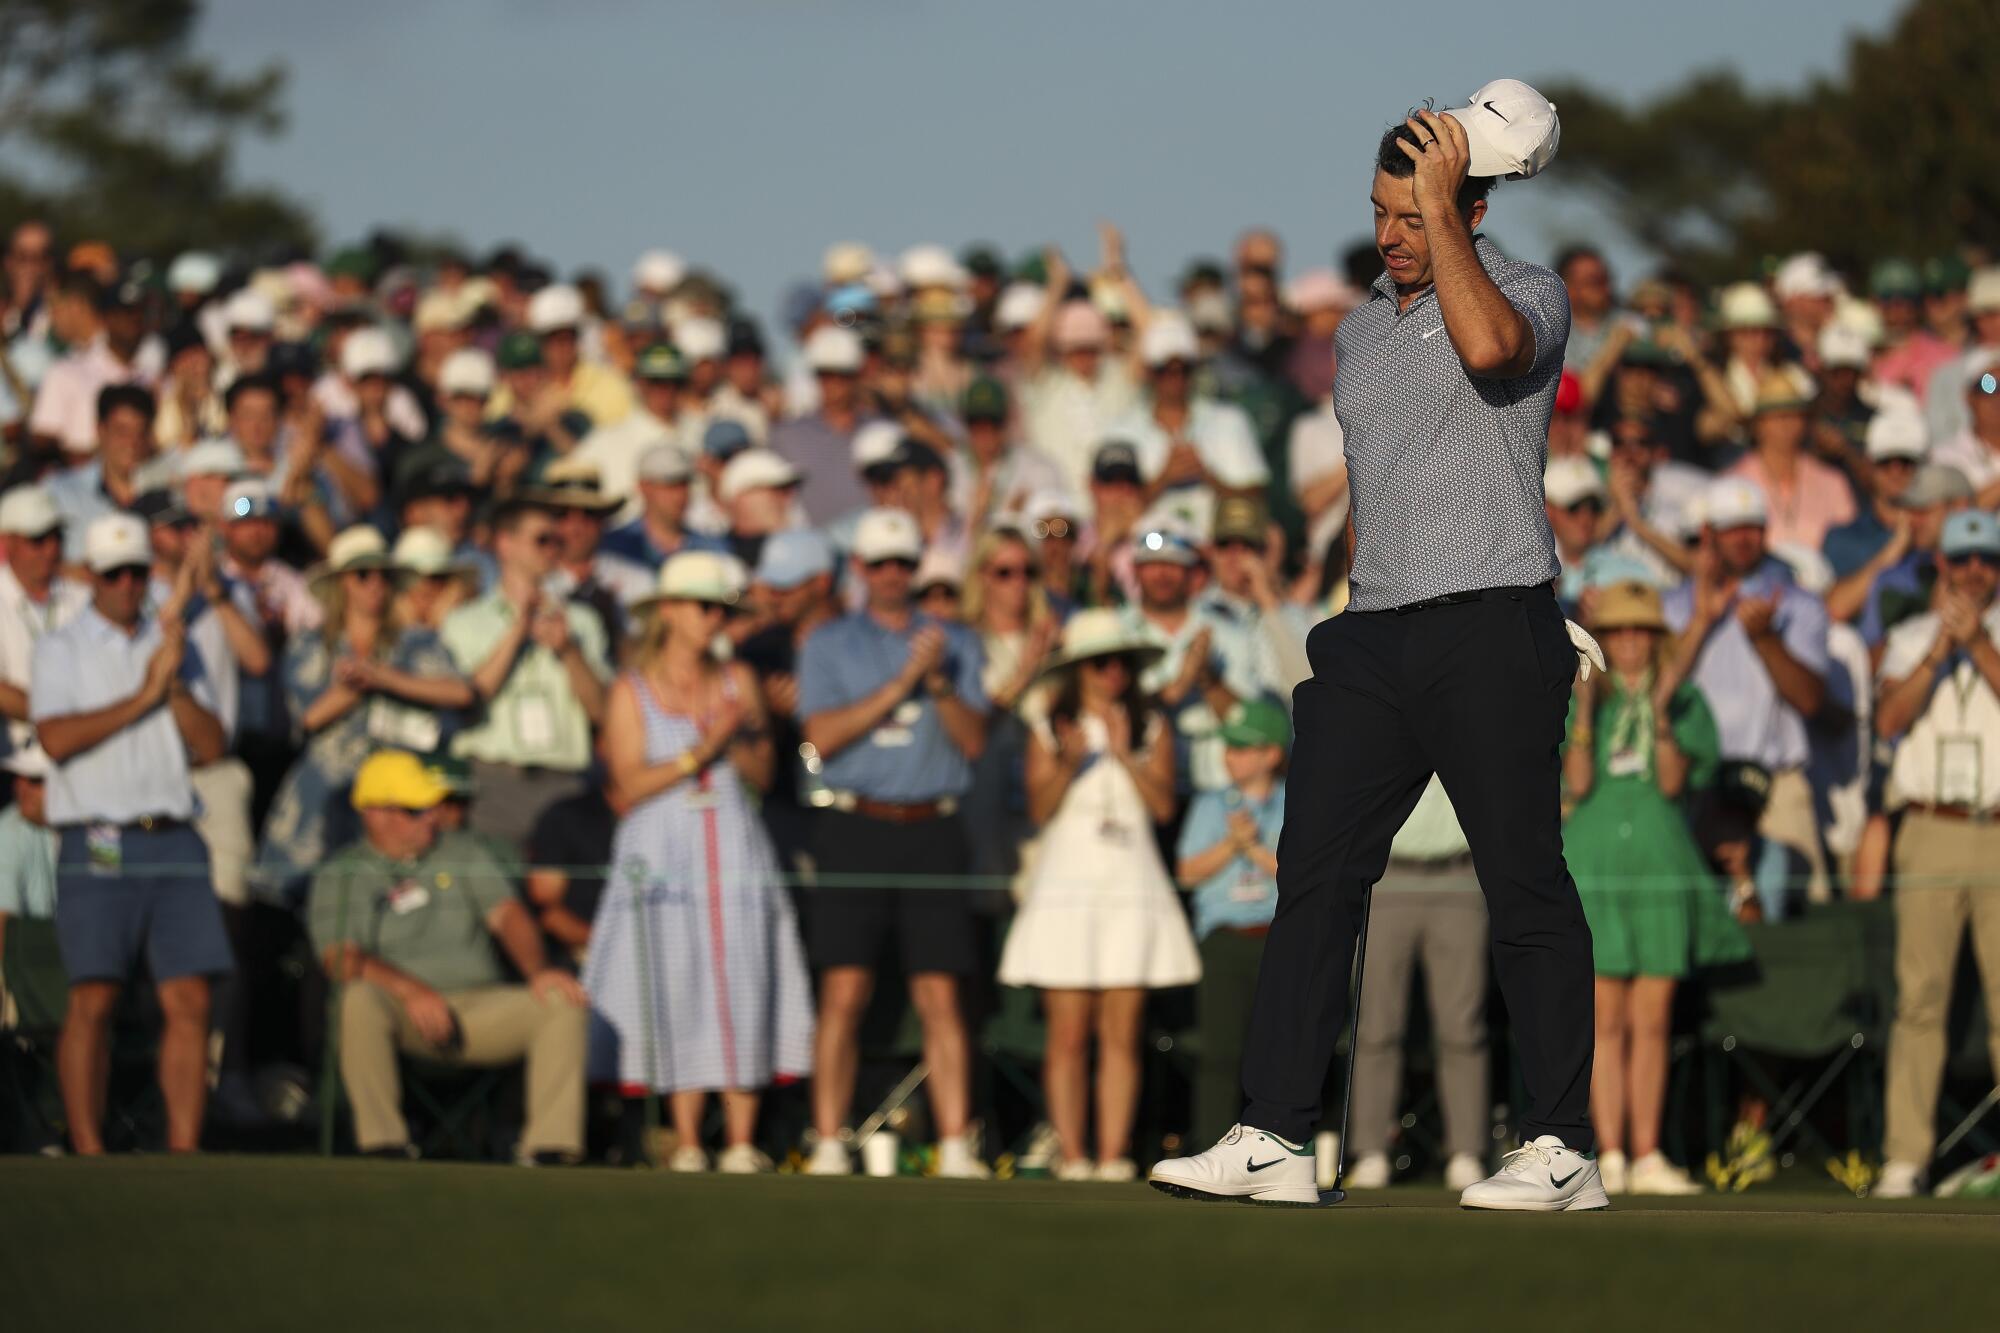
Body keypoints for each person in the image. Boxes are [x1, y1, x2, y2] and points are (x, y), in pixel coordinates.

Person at [1151, 85, 1609, 1211]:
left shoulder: (1527, 292)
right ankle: (1273, 1133)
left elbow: (1489, 347)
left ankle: (1559, 1148)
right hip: (1373, 630)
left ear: (1459, 203)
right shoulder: (1355, 328)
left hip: (1495, 617)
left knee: (1523, 881)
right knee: (1310, 875)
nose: (1387, 232)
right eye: (1379, 212)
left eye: (1409, 214)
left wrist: (1447, 213)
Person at [583, 552, 814, 1173]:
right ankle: (687, 1139)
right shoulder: (630, 687)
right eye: (702, 606)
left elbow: (764, 775)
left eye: (719, 609)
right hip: (662, 850)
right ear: (669, 612)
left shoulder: (737, 678)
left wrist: (750, 737)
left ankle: (740, 1140)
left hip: (733, 841)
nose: (713, 618)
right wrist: (703, 749)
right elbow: (629, 783)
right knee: (676, 979)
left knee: (742, 972)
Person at [796, 507, 990, 1178]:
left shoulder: (957, 641)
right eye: (879, 563)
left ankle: (958, 1143)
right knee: (843, 990)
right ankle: (826, 1138)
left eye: (903, 563)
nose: (891, 574)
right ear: (859, 569)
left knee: (941, 994)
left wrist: (935, 680)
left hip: (932, 826)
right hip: (854, 824)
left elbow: (973, 739)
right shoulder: (827, 642)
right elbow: (821, 735)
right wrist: (903, 684)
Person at [31, 513, 231, 1154]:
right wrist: (143, 697)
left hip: (173, 834)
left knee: (190, 996)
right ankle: (88, 1149)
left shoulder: (174, 642)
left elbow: (211, 744)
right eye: (113, 572)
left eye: (137, 571)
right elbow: (56, 739)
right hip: (98, 838)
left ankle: (183, 1151)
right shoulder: (59, 647)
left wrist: (168, 686)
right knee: (94, 996)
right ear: (90, 576)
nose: (125, 584)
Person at [309, 749, 589, 1163]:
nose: (432, 818)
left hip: (479, 1009)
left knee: (561, 1001)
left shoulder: (462, 853)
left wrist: (539, 971)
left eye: (432, 807)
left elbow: (508, 916)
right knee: (357, 1000)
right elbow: (340, 958)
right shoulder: (342, 872)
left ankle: (549, 1148)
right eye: (416, 809)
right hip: (402, 1014)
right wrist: (412, 991)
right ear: (376, 814)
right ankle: (383, 1144)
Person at [1563, 581, 1748, 1195]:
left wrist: (1662, 712)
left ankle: (1647, 1153)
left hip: (1661, 863)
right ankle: (1608, 1152)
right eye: (1618, 631)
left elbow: (1672, 783)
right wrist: (1586, 710)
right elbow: (1579, 783)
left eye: (1642, 630)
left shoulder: (1684, 698)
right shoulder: (1581, 697)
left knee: (1653, 1016)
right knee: (1601, 1016)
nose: (1632, 642)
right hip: (1594, 865)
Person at [999, 609, 1197, 1180]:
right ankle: (1074, 1152)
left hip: (1131, 878)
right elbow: (1039, 810)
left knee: (1122, 1031)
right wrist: (1067, 760)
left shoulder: (1150, 724)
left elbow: (1162, 807)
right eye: (1103, 664)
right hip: (1068, 881)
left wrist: (1125, 753)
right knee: (1068, 1032)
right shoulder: (1050, 724)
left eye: (1123, 664)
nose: (1115, 674)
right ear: (1081, 670)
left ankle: (1111, 1155)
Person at [1871, 510, 2000, 1199]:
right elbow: (1889, 720)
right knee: (1920, 998)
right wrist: (1940, 651)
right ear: (1943, 565)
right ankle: (1905, 1157)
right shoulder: (1911, 638)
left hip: (1998, 827)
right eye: (1964, 559)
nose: (1976, 571)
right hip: (1929, 825)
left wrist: (1979, 646)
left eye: (1988, 560)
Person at [254, 527, 475, 904]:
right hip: (327, 789)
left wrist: (387, 678)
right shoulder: (312, 644)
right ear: (341, 585)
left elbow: (461, 692)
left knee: (393, 900)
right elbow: (305, 719)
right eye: (362, 575)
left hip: (401, 794)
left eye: (383, 575)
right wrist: (352, 689)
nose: (375, 585)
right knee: (306, 896)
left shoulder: (416, 641)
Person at [1663, 478, 1832, 908]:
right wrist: (1702, 622)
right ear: (1708, 534)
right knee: (1695, 914)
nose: (1743, 538)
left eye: (1753, 527)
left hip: (1778, 785)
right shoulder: (1673, 605)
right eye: (1731, 527)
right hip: (1699, 781)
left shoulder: (1798, 604)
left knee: (1804, 917)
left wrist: (1766, 640)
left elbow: (1811, 700)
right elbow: (1658, 690)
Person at [1337, 773, 1490, 1193]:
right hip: (1386, 872)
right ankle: (1370, 1152)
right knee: (1375, 1027)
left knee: (1462, 1026)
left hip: (1461, 874)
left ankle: (1466, 1151)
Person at [441, 502, 611, 843]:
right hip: (492, 781)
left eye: (558, 542)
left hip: (564, 782)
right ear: (505, 544)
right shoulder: (463, 621)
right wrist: (519, 629)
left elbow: (603, 712)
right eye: (542, 540)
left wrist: (569, 651)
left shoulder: (581, 621)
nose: (553, 549)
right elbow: (467, 699)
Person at [1175, 698, 1289, 1149]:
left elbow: (1296, 874)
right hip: (1223, 940)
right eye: (1230, 748)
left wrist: (1254, 848)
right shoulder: (1209, 804)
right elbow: (1188, 871)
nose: (1232, 757)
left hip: (1276, 938)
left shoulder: (1295, 800)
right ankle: (1210, 1146)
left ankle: (1275, 1147)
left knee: (1279, 1053)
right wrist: (1232, 843)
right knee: (1219, 1053)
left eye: (1244, 748)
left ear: (1272, 754)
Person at [0, 484, 89, 756]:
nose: (51, 549)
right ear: (6, 543)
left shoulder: (83, 597)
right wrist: (65, 725)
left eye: (57, 537)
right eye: (38, 540)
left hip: (80, 754)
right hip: (16, 766)